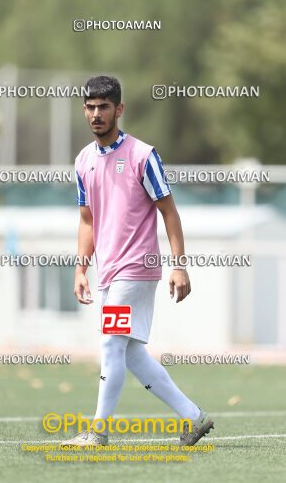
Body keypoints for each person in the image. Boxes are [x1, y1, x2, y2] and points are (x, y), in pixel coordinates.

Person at [62, 75, 214, 447]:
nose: (97, 114)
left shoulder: (142, 155)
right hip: (108, 272)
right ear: (84, 110)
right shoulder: (83, 161)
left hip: (136, 269)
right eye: (91, 107)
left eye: (105, 107)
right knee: (130, 353)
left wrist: (179, 264)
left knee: (112, 343)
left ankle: (98, 432)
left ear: (120, 109)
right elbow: (87, 220)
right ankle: (194, 418)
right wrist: (81, 268)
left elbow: (169, 211)